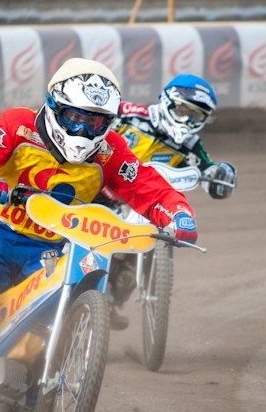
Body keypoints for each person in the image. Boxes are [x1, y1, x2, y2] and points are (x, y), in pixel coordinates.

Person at [0, 58, 199, 340]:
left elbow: (150, 188)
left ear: (108, 122)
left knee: (53, 327)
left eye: (93, 122)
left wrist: (179, 213)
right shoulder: (17, 124)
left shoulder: (111, 151)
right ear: (54, 105)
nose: (82, 130)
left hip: (55, 248)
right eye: (74, 118)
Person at [101, 74, 238, 326]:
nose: (188, 120)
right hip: (101, 189)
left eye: (196, 116)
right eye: (183, 111)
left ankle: (108, 301)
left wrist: (220, 176)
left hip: (145, 203)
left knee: (145, 243)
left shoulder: (191, 145)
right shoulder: (128, 115)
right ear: (166, 101)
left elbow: (208, 169)